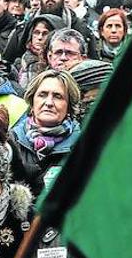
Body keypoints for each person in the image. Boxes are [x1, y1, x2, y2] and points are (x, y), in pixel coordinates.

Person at [10, 69, 81, 197]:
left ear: (69, 107)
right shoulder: (11, 142)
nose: (48, 103)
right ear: (32, 102)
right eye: (42, 95)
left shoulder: (82, 146)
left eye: (57, 96)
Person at [16, 15, 65, 88]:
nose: (39, 37)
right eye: (36, 32)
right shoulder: (20, 64)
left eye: (45, 33)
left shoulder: (59, 64)